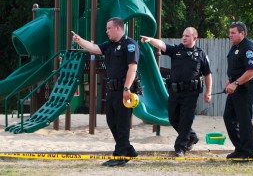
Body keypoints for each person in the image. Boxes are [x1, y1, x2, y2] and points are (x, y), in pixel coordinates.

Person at [72, 17, 139, 167]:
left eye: (109, 28)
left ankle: (120, 156)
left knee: (122, 124)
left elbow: (132, 68)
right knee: (111, 121)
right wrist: (80, 40)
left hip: (124, 89)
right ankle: (129, 150)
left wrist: (127, 88)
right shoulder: (110, 45)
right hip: (112, 90)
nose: (107, 31)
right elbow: (94, 48)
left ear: (118, 28)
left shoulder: (130, 45)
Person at [141, 27, 212, 157]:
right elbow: (162, 45)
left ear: (194, 38)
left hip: (191, 93)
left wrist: (208, 92)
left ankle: (180, 147)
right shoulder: (176, 50)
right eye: (183, 35)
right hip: (174, 91)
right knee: (173, 118)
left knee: (186, 120)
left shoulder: (200, 54)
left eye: (187, 36)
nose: (184, 38)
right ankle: (191, 136)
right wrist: (151, 40)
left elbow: (207, 74)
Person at [223, 21, 253, 160]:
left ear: (242, 33)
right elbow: (236, 68)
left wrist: (236, 83)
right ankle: (240, 148)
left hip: (245, 88)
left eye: (233, 33)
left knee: (244, 120)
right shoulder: (235, 47)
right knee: (229, 118)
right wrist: (230, 80)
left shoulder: (248, 47)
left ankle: (249, 152)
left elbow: (252, 71)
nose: (230, 35)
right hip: (235, 87)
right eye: (229, 32)